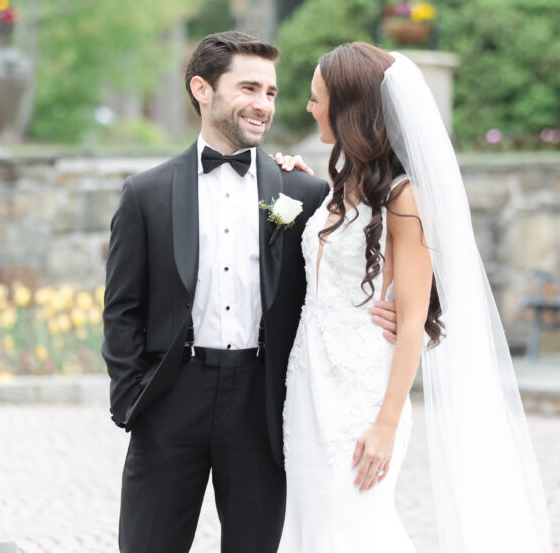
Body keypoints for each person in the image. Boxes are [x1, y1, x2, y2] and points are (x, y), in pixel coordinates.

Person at [101, 31, 397, 553]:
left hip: (264, 408)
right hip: (172, 398)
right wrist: (133, 399)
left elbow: (357, 272)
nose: (264, 105)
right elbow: (121, 309)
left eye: (272, 92)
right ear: (202, 89)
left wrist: (396, 316)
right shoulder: (144, 194)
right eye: (249, 88)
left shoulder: (304, 193)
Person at [278, 42, 552, 552]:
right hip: (307, 380)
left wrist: (384, 425)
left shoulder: (405, 198)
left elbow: (409, 322)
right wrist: (302, 183)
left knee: (353, 526)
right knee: (311, 523)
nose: (309, 107)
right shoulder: (344, 183)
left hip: (359, 393)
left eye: (317, 98)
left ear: (350, 109)